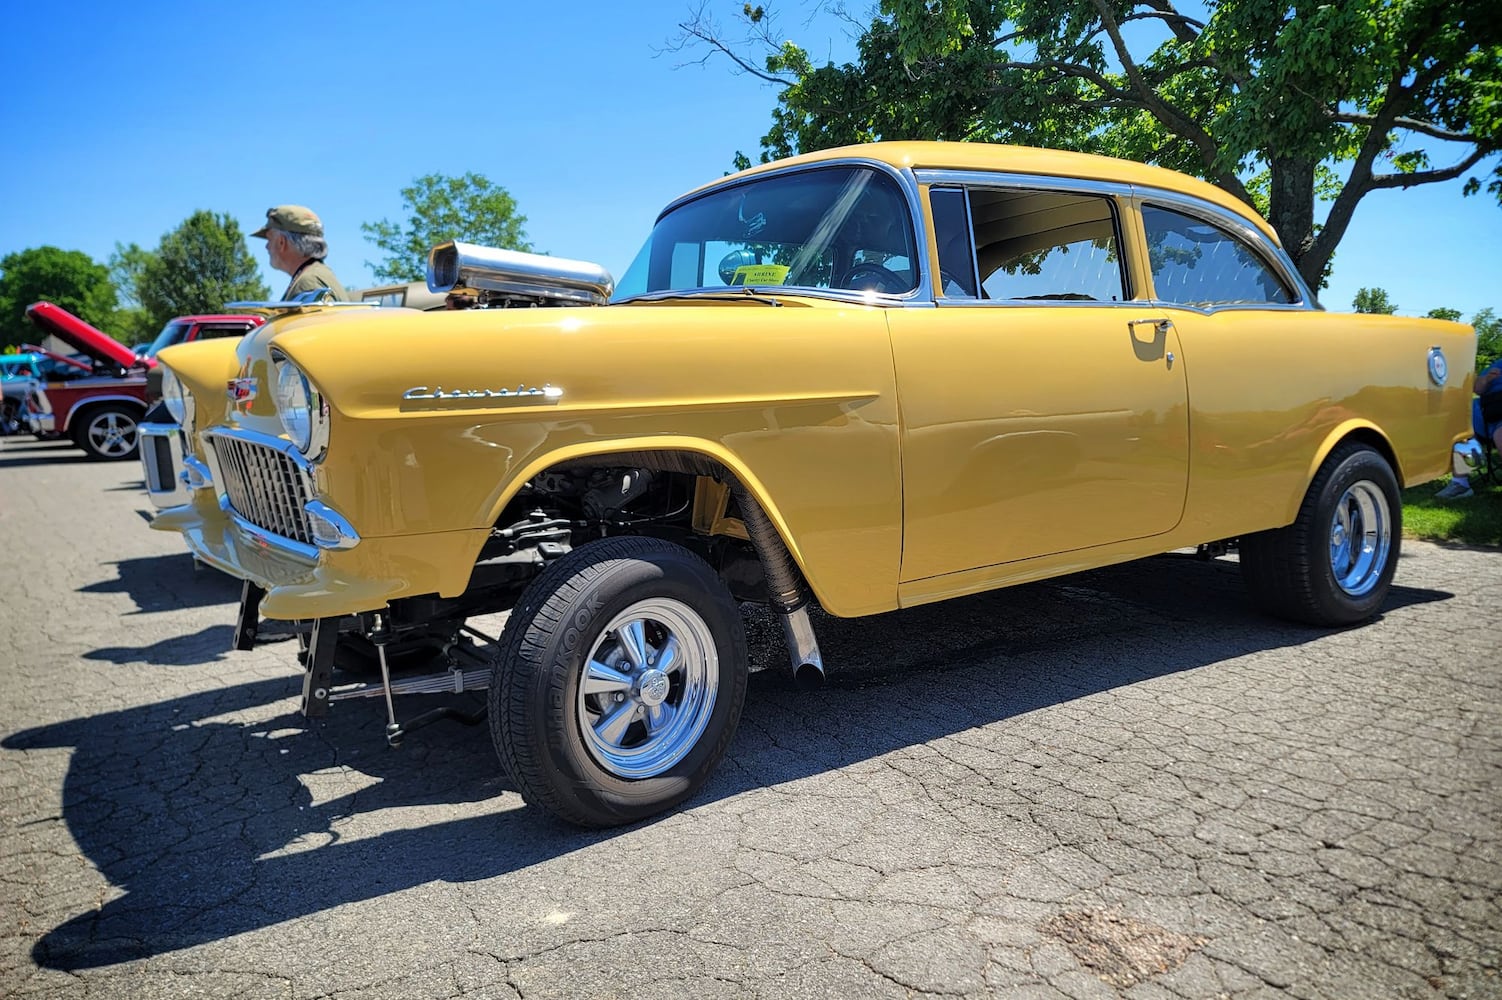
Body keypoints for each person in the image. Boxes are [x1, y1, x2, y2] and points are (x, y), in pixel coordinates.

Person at [1435, 357, 1502, 499]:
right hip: (1486, 414)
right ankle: (1461, 484)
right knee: (1460, 428)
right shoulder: (1498, 364)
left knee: (1500, 435)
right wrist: (1487, 379)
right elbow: (1477, 388)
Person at [252, 205, 349, 302]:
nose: (266, 247)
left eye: (269, 239)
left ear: (281, 242)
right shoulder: (318, 275)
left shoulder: (309, 284)